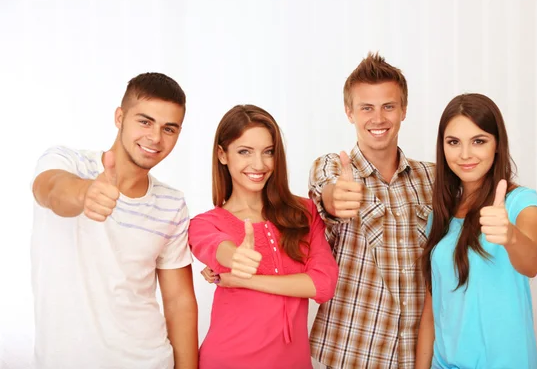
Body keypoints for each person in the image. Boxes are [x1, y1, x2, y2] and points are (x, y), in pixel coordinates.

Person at [30, 73, 198, 369]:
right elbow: (50, 190)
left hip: (151, 360)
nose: (155, 138)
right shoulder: (67, 162)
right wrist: (86, 193)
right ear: (120, 117)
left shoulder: (172, 203)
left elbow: (179, 303)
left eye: (168, 128)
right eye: (145, 121)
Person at [308, 52, 435, 369]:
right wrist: (336, 198)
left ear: (403, 110)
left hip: (418, 356)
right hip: (350, 354)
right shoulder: (333, 166)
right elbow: (328, 195)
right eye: (367, 108)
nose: (378, 119)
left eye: (388, 106)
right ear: (349, 112)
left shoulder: (433, 178)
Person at [189, 104, 339, 369]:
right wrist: (234, 257)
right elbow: (214, 248)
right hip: (227, 360)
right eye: (244, 151)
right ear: (222, 155)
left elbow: (323, 285)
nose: (259, 164)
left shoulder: (303, 212)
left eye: (268, 152)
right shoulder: (205, 223)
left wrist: (246, 280)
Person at [415, 93, 537, 369]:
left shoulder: (522, 202)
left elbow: (532, 263)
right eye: (454, 142)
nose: (465, 154)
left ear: (497, 144)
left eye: (479, 141)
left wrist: (510, 235)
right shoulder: (438, 217)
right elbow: (431, 310)